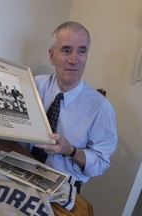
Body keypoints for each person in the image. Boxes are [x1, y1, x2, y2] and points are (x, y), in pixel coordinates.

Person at [26, 21, 117, 192]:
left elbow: (100, 163)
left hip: (63, 185)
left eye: (81, 51)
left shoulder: (101, 108)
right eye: (66, 50)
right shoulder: (33, 85)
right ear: (52, 55)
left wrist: (71, 151)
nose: (74, 59)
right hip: (21, 167)